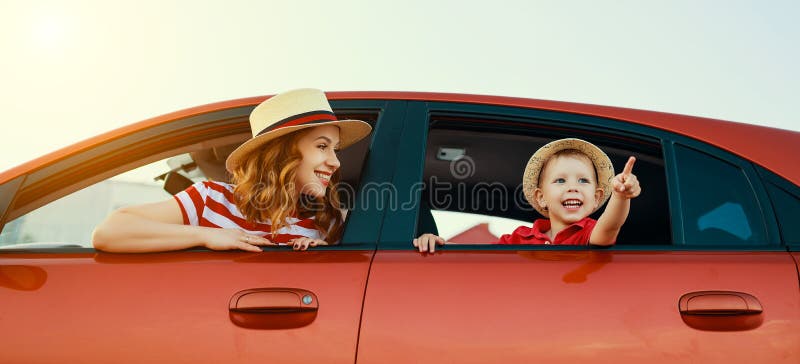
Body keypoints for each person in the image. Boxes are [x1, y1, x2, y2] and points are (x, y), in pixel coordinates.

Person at [92, 88, 372, 253]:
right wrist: (208, 236)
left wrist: (323, 257)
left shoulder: (328, 222)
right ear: (283, 153)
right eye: (323, 146)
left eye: (335, 149)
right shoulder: (210, 199)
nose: (335, 162)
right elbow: (110, 231)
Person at [413, 138, 642, 252]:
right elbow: (480, 260)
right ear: (541, 197)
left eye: (583, 180)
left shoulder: (588, 233)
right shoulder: (521, 237)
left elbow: (610, 226)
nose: (572, 187)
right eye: (560, 180)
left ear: (596, 196)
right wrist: (441, 244)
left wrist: (621, 196)